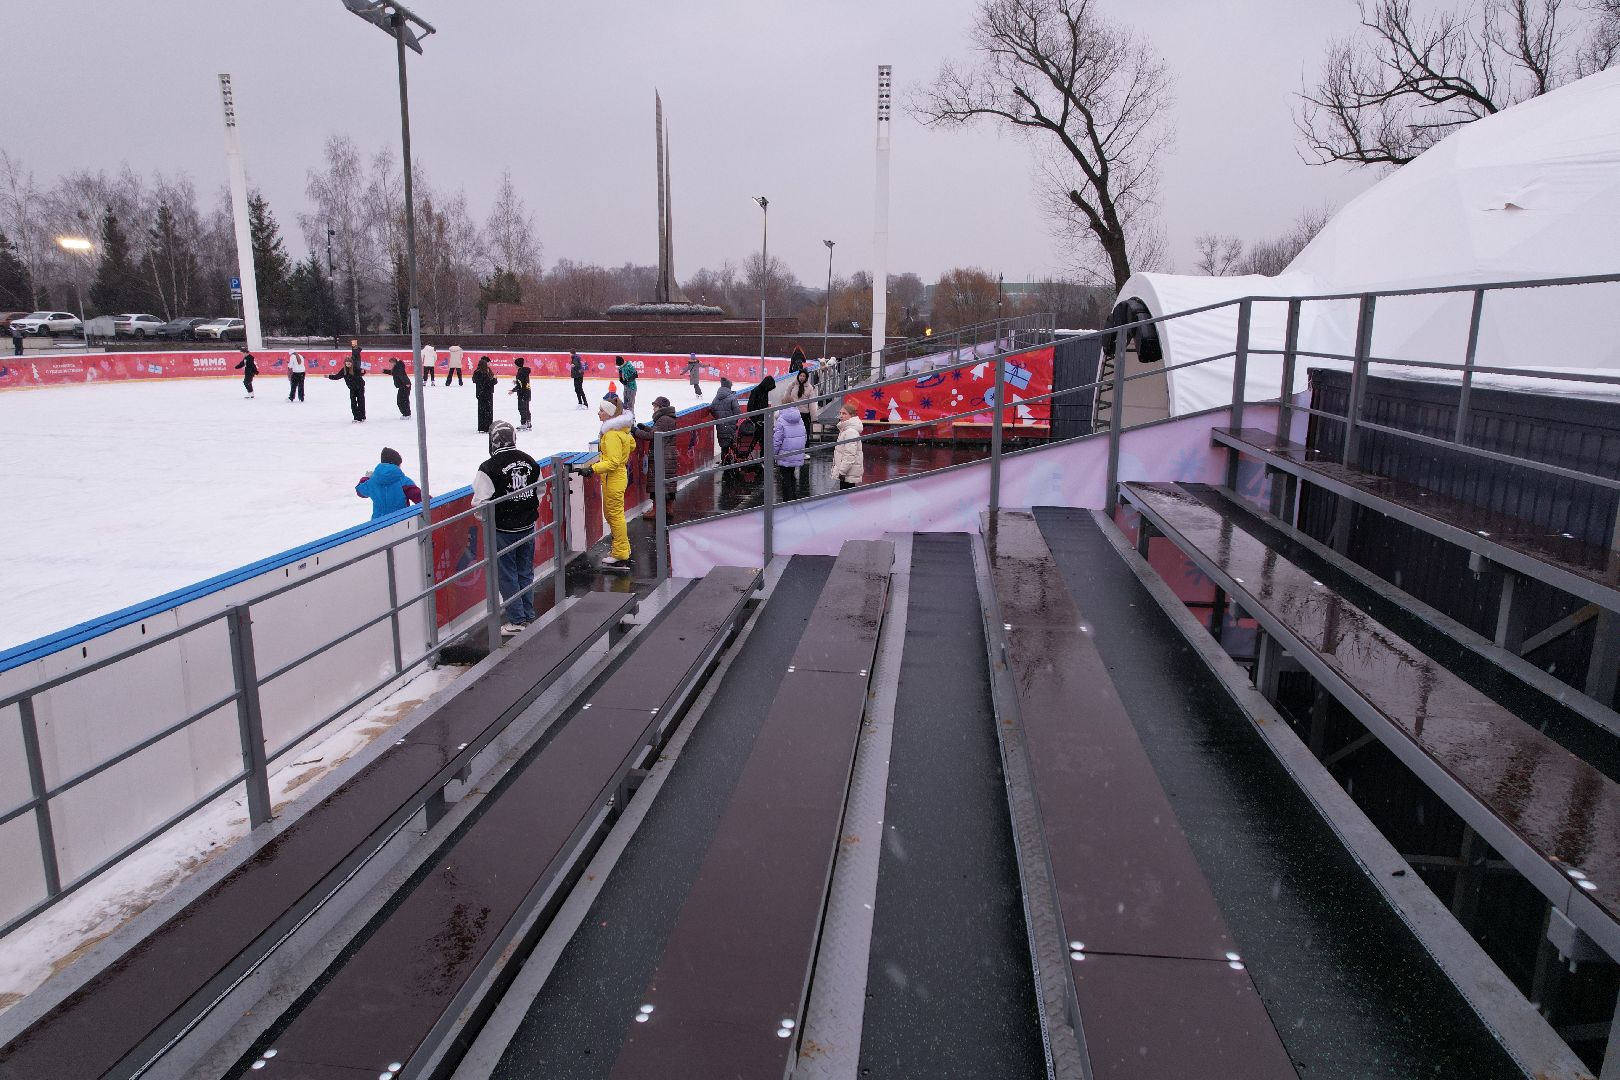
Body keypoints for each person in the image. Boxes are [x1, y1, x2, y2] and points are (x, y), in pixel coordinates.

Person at [472, 420, 541, 633]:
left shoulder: (488, 467)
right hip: (527, 526)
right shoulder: (529, 461)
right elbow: (540, 491)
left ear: (493, 441)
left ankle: (517, 620)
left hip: (503, 530)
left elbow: (480, 504)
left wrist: (489, 518)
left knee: (507, 575)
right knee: (525, 571)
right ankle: (528, 613)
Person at [574, 395, 636, 572]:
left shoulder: (611, 435)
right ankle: (622, 549)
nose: (598, 413)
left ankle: (621, 554)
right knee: (613, 516)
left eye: (601, 410)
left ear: (609, 414)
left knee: (614, 516)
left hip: (614, 478)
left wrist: (592, 468)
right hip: (617, 476)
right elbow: (631, 445)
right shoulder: (621, 431)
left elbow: (613, 461)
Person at [633, 395, 679, 520]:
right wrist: (646, 428)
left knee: (657, 484)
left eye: (655, 406)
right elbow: (658, 432)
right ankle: (668, 508)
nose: (653, 409)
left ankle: (656, 511)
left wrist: (635, 431)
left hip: (661, 456)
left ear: (661, 407)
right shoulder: (668, 418)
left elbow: (651, 436)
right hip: (667, 456)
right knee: (668, 483)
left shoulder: (663, 419)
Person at [355, 447, 422, 519]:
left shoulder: (372, 482)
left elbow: (360, 492)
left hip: (378, 524)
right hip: (401, 522)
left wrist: (366, 478)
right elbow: (423, 500)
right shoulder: (404, 482)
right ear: (396, 465)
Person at [772, 403, 807, 501]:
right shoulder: (799, 418)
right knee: (791, 475)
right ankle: (793, 498)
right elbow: (805, 435)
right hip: (796, 452)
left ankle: (787, 500)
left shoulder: (781, 421)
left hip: (784, 454)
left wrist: (773, 454)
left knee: (785, 478)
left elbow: (777, 441)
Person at [833, 402, 864, 489]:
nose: (841, 416)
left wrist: (842, 471)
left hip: (847, 472)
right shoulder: (845, 429)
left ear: (852, 416)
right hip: (848, 472)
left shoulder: (850, 432)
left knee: (846, 496)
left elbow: (849, 454)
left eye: (844, 413)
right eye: (840, 413)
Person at [329, 357, 366, 421]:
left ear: (352, 363)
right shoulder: (344, 370)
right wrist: (329, 376)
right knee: (353, 403)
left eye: (349, 364)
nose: (348, 365)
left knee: (361, 402)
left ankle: (362, 416)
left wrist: (363, 371)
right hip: (352, 388)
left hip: (360, 387)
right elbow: (337, 376)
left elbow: (361, 372)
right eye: (347, 364)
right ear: (345, 364)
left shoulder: (355, 368)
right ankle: (356, 417)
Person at [711, 377, 740, 460]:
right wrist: (734, 422)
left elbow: (713, 411)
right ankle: (733, 466)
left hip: (721, 427)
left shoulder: (715, 399)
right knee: (734, 446)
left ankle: (725, 465)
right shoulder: (732, 398)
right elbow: (737, 413)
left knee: (724, 448)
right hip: (731, 427)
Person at [509, 356, 533, 430]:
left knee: (522, 408)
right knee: (526, 408)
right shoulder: (525, 371)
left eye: (515, 364)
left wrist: (512, 390)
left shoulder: (520, 373)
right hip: (527, 392)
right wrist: (516, 381)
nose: (514, 365)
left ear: (517, 365)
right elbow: (523, 382)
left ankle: (524, 423)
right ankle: (528, 422)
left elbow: (520, 385)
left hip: (523, 393)